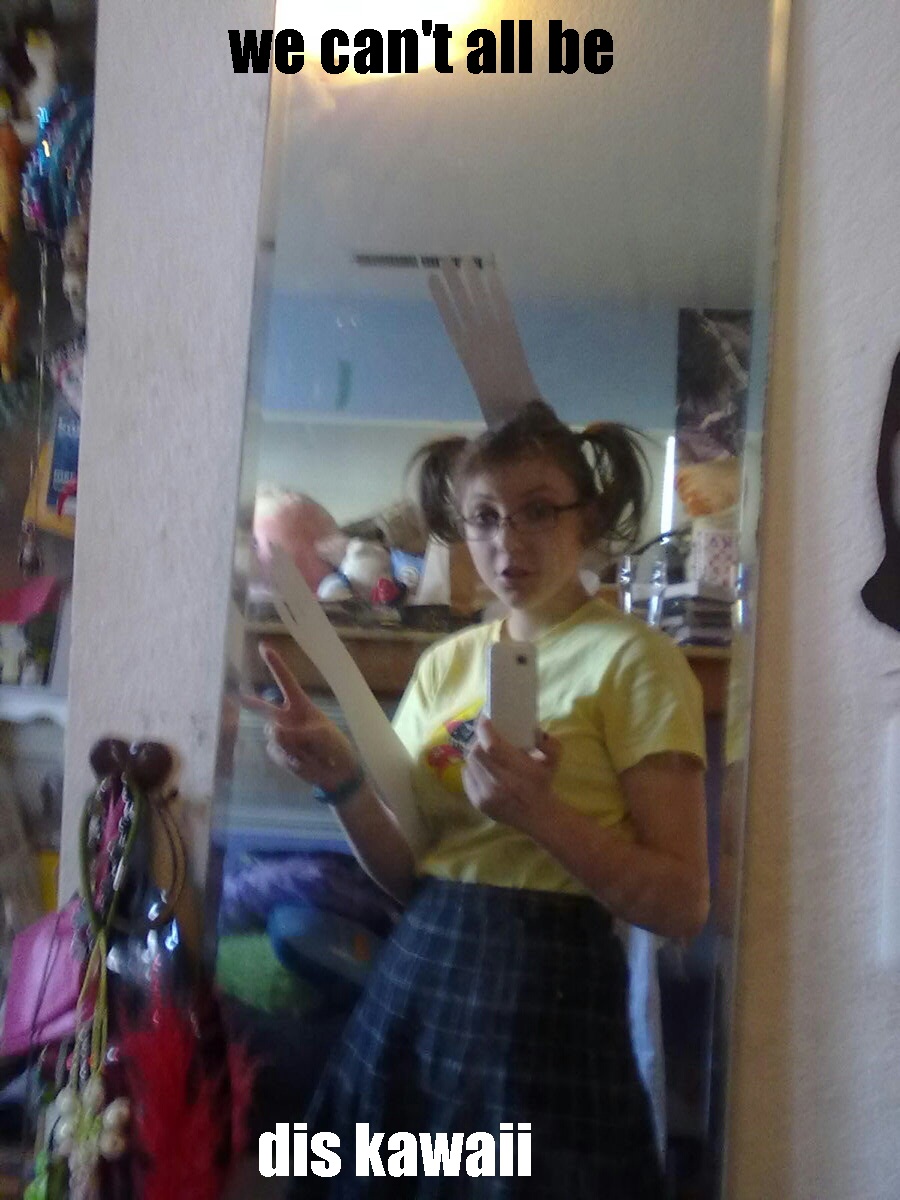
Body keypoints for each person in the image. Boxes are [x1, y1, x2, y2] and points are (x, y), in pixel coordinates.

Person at [248, 400, 709, 1198]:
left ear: (588, 516)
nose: (509, 541)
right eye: (485, 517)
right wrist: (341, 781)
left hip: (549, 1006)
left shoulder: (637, 662)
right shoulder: (446, 664)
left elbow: (681, 904)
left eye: (538, 510)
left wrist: (540, 814)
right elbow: (410, 871)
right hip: (420, 982)